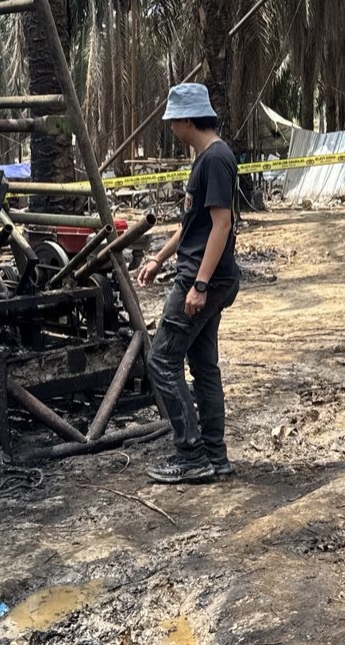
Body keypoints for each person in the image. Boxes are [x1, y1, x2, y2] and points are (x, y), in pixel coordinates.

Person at [134, 83, 241, 483]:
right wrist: (158, 258)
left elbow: (221, 225)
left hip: (202, 280)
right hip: (206, 277)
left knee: (162, 361)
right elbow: (192, 225)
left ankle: (191, 453)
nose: (171, 128)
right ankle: (214, 455)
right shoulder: (207, 158)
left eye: (172, 120)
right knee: (203, 365)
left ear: (187, 120)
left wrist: (199, 285)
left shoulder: (214, 159)